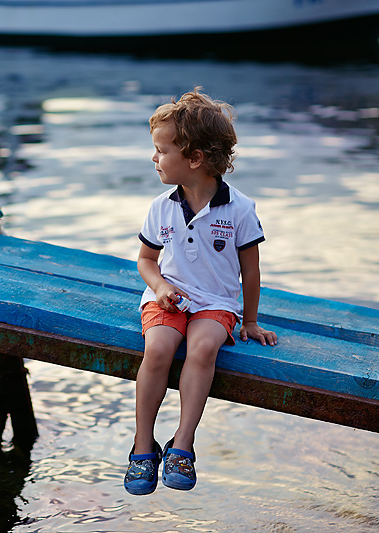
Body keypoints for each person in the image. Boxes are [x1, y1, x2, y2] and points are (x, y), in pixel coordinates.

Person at [124, 87, 278, 495]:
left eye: (161, 151)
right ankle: (143, 445)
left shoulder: (240, 209)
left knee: (204, 347)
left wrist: (250, 321)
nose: (154, 158)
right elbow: (146, 260)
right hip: (169, 298)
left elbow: (251, 270)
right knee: (158, 349)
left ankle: (182, 444)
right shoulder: (161, 206)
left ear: (194, 158)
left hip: (216, 303)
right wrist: (160, 287)